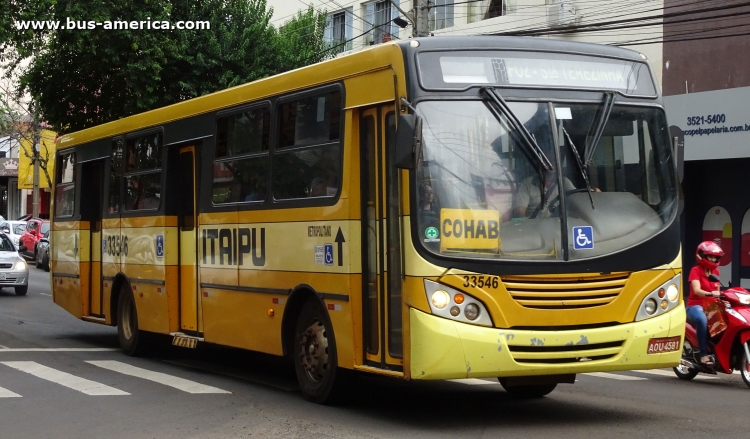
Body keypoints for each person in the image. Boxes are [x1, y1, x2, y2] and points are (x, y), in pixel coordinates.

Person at [686, 240, 724, 367]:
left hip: (711, 305)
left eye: (715, 257)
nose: (713, 259)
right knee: (702, 320)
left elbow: (718, 291)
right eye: (710, 256)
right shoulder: (695, 270)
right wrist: (710, 294)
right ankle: (703, 354)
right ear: (702, 256)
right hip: (695, 306)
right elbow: (696, 290)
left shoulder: (716, 272)